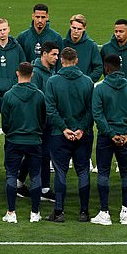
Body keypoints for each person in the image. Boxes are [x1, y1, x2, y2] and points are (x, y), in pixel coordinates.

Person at [90, 54, 127, 225]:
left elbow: (97, 114)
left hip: (107, 138)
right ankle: (125, 212)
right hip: (125, 139)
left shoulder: (100, 89)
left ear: (106, 68)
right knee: (126, 173)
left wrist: (111, 133)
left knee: (103, 172)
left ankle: (104, 213)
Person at [45, 47, 94, 222]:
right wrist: (80, 128)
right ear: (77, 60)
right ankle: (84, 212)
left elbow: (50, 109)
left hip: (59, 135)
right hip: (84, 135)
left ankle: (58, 212)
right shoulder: (87, 81)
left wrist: (64, 128)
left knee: (60, 172)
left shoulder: (52, 81)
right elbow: (91, 110)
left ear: (61, 60)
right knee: (83, 172)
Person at [1, 62, 46, 223]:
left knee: (11, 175)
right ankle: (35, 213)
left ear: (17, 73)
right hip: (34, 140)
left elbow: (4, 122)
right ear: (32, 75)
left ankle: (11, 212)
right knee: (35, 176)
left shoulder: (8, 95)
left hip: (14, 140)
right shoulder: (39, 95)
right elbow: (43, 119)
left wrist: (12, 132)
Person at [18, 41, 59, 201]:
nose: (56, 58)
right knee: (43, 153)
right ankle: (43, 188)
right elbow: (34, 99)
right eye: (53, 54)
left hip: (47, 121)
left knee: (37, 153)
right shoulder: (36, 73)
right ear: (44, 54)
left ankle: (19, 182)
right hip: (40, 122)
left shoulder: (50, 71)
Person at [99, 19, 127, 84]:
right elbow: (102, 67)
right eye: (116, 31)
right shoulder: (106, 48)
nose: (118, 34)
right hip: (110, 86)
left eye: (121, 31)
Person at [61, 14, 102, 83]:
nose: (76, 31)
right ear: (70, 26)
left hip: (83, 87)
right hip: (63, 84)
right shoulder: (62, 43)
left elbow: (98, 68)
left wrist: (87, 81)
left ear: (84, 28)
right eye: (74, 28)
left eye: (79, 29)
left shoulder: (91, 45)